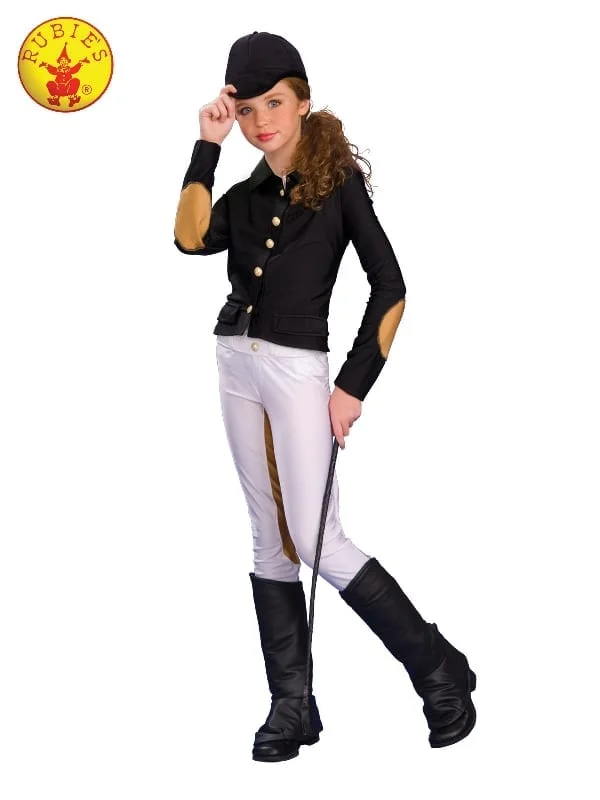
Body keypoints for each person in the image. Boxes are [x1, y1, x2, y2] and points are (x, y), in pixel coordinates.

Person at [173, 31, 477, 762]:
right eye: (247, 109)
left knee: (316, 539)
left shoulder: (338, 186)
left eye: (273, 103)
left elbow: (391, 287)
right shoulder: (246, 193)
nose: (260, 121)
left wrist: (351, 387)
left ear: (303, 102)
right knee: (267, 535)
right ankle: (293, 705)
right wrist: (207, 145)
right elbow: (188, 239)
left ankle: (439, 670)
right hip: (234, 363)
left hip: (297, 372)